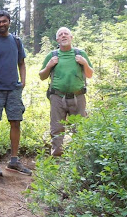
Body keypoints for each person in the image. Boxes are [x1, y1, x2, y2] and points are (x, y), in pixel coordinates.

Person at [0, 10, 31, 176]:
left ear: (9, 22)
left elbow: (22, 63)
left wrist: (22, 82)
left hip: (13, 89)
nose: (1, 24)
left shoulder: (16, 41)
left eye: (4, 21)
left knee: (16, 122)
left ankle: (14, 160)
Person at [39, 26, 94, 156]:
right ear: (57, 39)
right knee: (57, 129)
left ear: (71, 37)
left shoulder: (80, 54)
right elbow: (42, 76)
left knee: (79, 128)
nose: (64, 36)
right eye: (61, 34)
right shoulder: (52, 55)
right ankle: (57, 158)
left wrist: (85, 63)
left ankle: (79, 158)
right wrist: (49, 65)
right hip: (57, 97)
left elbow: (90, 74)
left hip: (78, 97)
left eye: (66, 34)